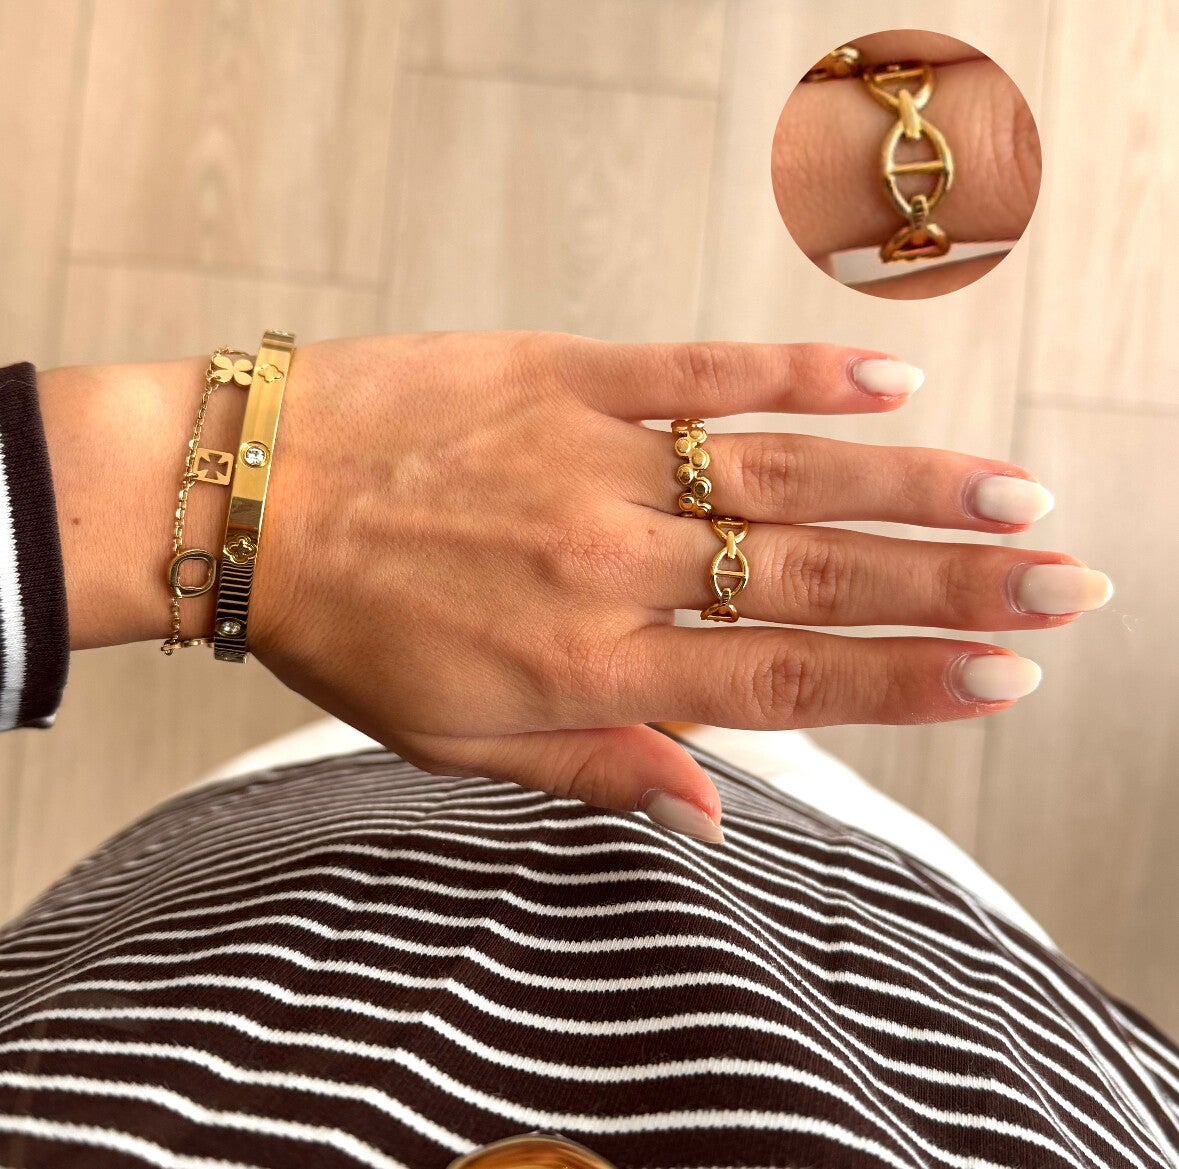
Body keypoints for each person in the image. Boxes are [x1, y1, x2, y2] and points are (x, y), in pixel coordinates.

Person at [0, 335, 1175, 1168]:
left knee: (642, 716)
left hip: (283, 876)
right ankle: (682, 710)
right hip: (886, 951)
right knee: (735, 755)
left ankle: (651, 696)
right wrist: (235, 493)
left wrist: (205, 485)